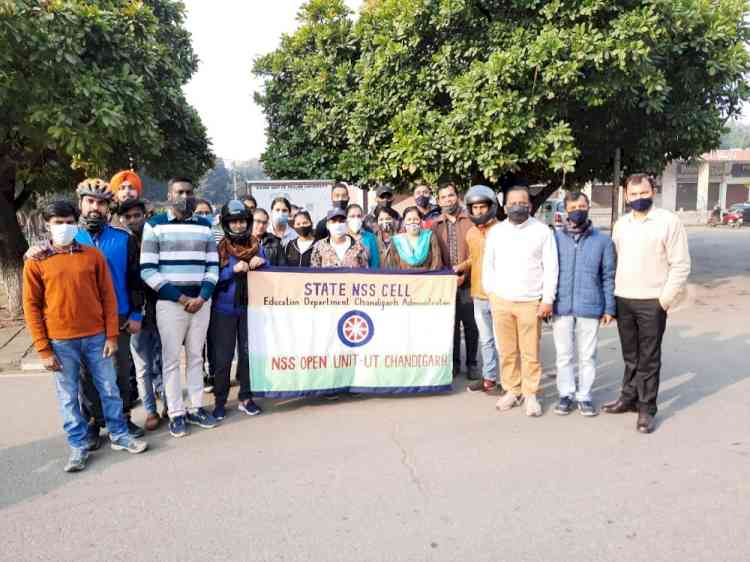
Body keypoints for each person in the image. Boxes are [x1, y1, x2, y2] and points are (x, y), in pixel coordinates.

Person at [22, 200, 147, 473]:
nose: (64, 228)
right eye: (58, 223)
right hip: (60, 341)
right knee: (69, 396)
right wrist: (43, 349)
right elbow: (31, 306)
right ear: (47, 225)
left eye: (69, 222)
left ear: (75, 223)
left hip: (96, 336)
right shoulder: (37, 262)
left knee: (109, 388)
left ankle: (118, 434)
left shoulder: (92, 256)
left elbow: (107, 297)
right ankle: (78, 445)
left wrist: (112, 336)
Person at [602, 173, 691, 433]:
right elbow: (616, 259)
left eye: (644, 193)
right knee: (631, 356)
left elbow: (681, 264)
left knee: (648, 358)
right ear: (626, 196)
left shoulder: (668, 222)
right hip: (624, 299)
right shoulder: (622, 224)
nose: (639, 198)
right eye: (633, 194)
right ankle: (628, 398)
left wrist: (664, 300)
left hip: (652, 301)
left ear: (653, 191)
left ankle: (646, 409)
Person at [59, 179, 145, 444]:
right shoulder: (67, 239)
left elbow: (135, 280)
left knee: (119, 372)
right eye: (90, 202)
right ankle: (94, 423)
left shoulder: (123, 239)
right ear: (81, 204)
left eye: (101, 203)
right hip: (82, 318)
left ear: (109, 207)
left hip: (118, 315)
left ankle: (123, 416)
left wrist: (136, 314)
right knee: (87, 376)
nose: (95, 208)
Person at [140, 177, 220, 438]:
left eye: (189, 192)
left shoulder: (205, 226)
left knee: (197, 357)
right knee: (171, 359)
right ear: (169, 194)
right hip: (171, 305)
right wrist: (181, 298)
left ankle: (196, 407)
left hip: (201, 304)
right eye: (179, 192)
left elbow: (213, 267)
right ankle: (175, 412)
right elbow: (148, 270)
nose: (185, 196)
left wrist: (202, 296)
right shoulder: (154, 225)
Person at [482, 186, 559, 417]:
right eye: (513, 203)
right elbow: (489, 265)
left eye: (522, 203)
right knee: (507, 350)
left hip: (530, 301)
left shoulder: (542, 231)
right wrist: (492, 293)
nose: (518, 206)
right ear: (505, 207)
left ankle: (530, 393)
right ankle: (512, 390)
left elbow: (551, 267)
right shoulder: (496, 232)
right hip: (501, 300)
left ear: (530, 205)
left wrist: (547, 300)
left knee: (530, 352)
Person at [551, 191, 616, 417]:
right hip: (562, 305)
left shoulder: (603, 241)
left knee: (587, 355)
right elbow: (548, 272)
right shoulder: (555, 239)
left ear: (588, 207)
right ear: (565, 210)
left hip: (590, 304)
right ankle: (566, 393)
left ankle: (584, 395)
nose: (577, 210)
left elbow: (608, 275)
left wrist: (609, 308)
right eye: (572, 207)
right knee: (564, 355)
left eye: (581, 206)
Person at [210, 200, 266, 420]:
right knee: (222, 358)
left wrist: (263, 262)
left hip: (250, 309)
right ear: (226, 224)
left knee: (247, 355)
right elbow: (211, 277)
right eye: (234, 222)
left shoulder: (256, 244)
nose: (239, 226)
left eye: (242, 221)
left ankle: (246, 397)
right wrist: (231, 271)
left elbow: (268, 275)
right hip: (224, 309)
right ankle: (220, 400)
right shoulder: (220, 247)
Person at [120, 199, 164, 430]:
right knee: (143, 366)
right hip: (135, 313)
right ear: (122, 220)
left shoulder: (158, 237)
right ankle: (150, 410)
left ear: (145, 215)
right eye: (128, 217)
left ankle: (170, 404)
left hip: (162, 307)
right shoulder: (121, 243)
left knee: (166, 360)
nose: (133, 220)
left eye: (137, 215)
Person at [455, 186, 502, 393]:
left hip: (500, 295)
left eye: (482, 207)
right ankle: (489, 379)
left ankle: (510, 382)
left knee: (504, 342)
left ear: (491, 207)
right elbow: (475, 258)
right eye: (474, 208)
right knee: (486, 340)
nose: (479, 211)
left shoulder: (503, 230)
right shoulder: (472, 233)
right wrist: (460, 267)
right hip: (478, 293)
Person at [431, 181, 479, 378]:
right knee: (450, 325)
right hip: (446, 283)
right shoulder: (435, 226)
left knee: (470, 325)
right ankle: (454, 363)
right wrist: (446, 277)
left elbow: (478, 253)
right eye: (443, 197)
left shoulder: (471, 221)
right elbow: (434, 255)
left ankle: (472, 363)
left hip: (469, 280)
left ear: (458, 196)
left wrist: (462, 272)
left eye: (451, 195)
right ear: (438, 201)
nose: (448, 200)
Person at [347, 204, 380, 269]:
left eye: (359, 216)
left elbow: (375, 263)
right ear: (346, 218)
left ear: (362, 218)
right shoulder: (342, 237)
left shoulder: (370, 237)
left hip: (366, 277)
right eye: (352, 216)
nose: (356, 219)